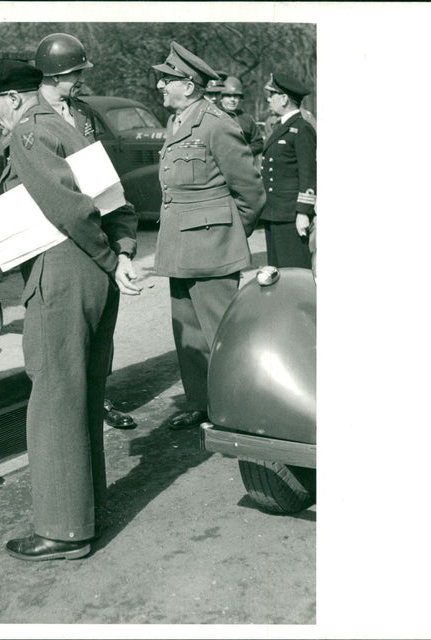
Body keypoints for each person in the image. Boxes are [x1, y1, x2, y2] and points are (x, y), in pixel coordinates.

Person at [0, 59, 139, 561]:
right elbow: (114, 199)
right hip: (91, 271)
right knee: (81, 392)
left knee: (54, 399)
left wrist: (110, 259)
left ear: (17, 99)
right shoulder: (71, 124)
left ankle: (63, 530)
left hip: (63, 271)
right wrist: (121, 254)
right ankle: (87, 511)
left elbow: (69, 209)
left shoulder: (29, 135)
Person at [152, 42, 266, 430]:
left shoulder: (216, 124)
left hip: (213, 249)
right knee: (189, 334)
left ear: (187, 84)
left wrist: (229, 233)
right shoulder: (178, 121)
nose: (159, 87)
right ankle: (202, 403)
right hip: (180, 249)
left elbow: (250, 191)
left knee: (221, 335)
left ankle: (237, 409)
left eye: (165, 80)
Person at [34, 32, 138, 430]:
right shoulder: (32, 119)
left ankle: (101, 396)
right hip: (61, 248)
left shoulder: (83, 114)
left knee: (98, 341)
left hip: (97, 239)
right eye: (74, 73)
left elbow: (109, 184)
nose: (80, 79)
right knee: (63, 355)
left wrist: (123, 246)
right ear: (53, 75)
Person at [259, 71, 317, 269]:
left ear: (284, 99)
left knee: (295, 272)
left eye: (272, 95)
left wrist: (303, 212)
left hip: (291, 215)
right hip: (274, 213)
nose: (269, 100)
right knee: (277, 272)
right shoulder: (280, 126)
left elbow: (308, 173)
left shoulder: (301, 128)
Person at [218, 76, 264, 157]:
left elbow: (258, 143)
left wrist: (244, 151)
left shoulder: (247, 119)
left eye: (236, 96)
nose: (232, 100)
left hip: (242, 163)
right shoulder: (215, 116)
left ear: (240, 98)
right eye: (228, 96)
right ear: (221, 98)